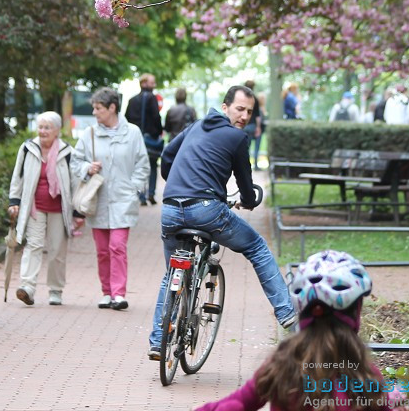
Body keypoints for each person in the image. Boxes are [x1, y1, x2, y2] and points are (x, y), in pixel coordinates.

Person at [193, 250, 409, 411]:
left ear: (303, 311)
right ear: (354, 313)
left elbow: (238, 403)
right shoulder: (362, 375)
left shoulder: (281, 365)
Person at [149, 85, 295, 359]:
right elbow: (245, 183)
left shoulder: (196, 126)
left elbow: (168, 155)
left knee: (171, 273)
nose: (244, 116)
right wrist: (250, 200)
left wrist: (179, 183)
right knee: (257, 247)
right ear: (225, 107)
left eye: (250, 112)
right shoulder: (237, 138)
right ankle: (288, 315)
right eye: (240, 109)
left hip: (170, 207)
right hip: (206, 210)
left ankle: (158, 341)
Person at [72, 87, 149, 311]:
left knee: (117, 246)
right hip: (98, 200)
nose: (95, 113)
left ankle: (118, 293)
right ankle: (106, 292)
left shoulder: (133, 133)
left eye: (98, 108)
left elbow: (142, 164)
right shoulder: (90, 135)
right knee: (103, 250)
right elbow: (76, 162)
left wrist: (133, 188)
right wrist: (88, 167)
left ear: (112, 108)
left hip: (123, 199)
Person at [8, 111, 79, 306]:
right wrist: (14, 201)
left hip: (60, 208)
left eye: (47, 127)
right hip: (35, 207)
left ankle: (55, 290)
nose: (42, 131)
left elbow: (75, 183)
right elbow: (18, 177)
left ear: (56, 130)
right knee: (34, 245)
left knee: (57, 250)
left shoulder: (67, 152)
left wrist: (77, 212)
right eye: (40, 127)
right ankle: (27, 287)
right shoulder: (27, 149)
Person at [125, 73, 163, 205]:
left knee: (138, 167)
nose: (154, 85)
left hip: (134, 139)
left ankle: (141, 195)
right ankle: (151, 193)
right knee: (152, 166)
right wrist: (158, 132)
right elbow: (156, 117)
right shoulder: (152, 98)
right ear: (144, 83)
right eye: (152, 82)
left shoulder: (132, 100)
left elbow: (126, 119)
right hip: (149, 138)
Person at [242, 80, 265, 166]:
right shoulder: (254, 98)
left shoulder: (241, 98)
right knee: (254, 146)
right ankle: (254, 165)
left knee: (245, 147)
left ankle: (244, 165)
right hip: (252, 125)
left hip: (243, 125)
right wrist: (258, 127)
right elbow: (257, 116)